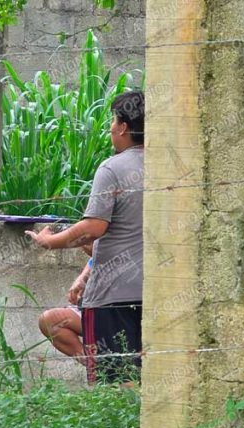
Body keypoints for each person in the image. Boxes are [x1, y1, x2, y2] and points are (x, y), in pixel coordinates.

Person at [26, 90, 145, 384]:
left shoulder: (113, 168)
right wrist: (85, 273)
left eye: (113, 121)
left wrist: (48, 242)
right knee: (144, 379)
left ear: (124, 127)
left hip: (112, 297)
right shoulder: (170, 164)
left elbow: (93, 228)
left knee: (116, 384)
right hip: (152, 292)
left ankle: (122, 427)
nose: (110, 129)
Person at [38, 256, 93, 361]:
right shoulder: (97, 249)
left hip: (122, 311)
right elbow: (95, 255)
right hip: (92, 309)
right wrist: (82, 279)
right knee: (49, 321)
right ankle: (93, 364)